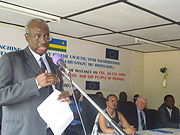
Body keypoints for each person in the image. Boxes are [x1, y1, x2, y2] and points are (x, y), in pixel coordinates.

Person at [0, 18, 71, 135]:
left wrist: (62, 95)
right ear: (27, 37)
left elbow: (56, 90)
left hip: (53, 130)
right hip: (24, 131)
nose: (43, 41)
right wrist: (35, 83)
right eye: (37, 36)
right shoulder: (10, 59)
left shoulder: (54, 64)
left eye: (47, 36)